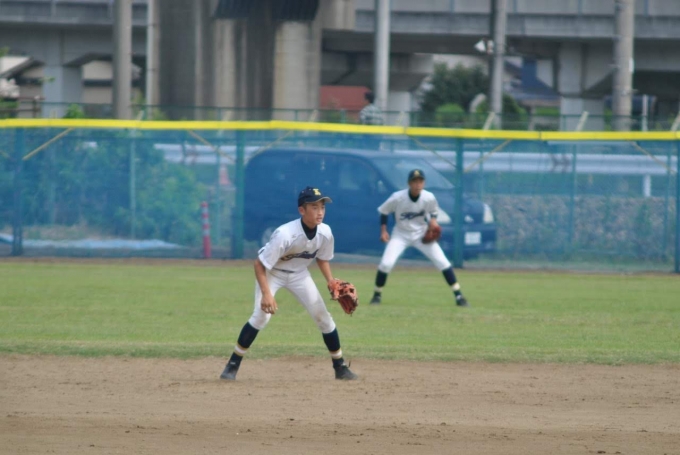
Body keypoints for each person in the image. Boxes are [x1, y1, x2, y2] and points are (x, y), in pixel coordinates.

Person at [220, 186, 358, 381]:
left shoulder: (325, 232)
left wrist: (330, 280)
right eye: (314, 207)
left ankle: (340, 367)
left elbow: (322, 258)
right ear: (302, 210)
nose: (320, 212)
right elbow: (259, 264)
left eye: (322, 207)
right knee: (261, 318)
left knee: (323, 317)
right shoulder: (285, 234)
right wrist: (266, 294)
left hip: (299, 275)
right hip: (272, 273)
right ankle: (232, 365)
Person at [369, 169, 469, 307]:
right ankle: (377, 295)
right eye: (414, 181)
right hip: (400, 235)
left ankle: (459, 296)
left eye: (420, 181)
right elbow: (384, 211)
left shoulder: (428, 197)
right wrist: (383, 231)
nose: (417, 184)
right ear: (409, 183)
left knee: (442, 262)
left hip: (421, 234)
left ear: (424, 183)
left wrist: (433, 220)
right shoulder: (398, 197)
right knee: (386, 264)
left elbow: (434, 211)